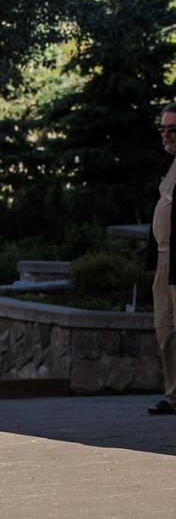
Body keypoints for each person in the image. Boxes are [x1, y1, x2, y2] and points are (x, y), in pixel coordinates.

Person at [147, 103, 176, 415]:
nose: (166, 134)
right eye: (163, 128)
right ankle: (173, 396)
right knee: (165, 329)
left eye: (172, 128)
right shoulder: (170, 167)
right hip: (163, 258)